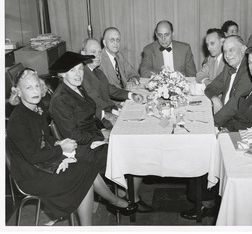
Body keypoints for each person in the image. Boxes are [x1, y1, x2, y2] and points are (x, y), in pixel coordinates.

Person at [6, 68, 137, 226]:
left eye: (36, 86)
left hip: (42, 161)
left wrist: (58, 142)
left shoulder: (37, 108)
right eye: (28, 88)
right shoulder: (18, 120)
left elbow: (45, 138)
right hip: (30, 173)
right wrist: (61, 149)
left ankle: (111, 205)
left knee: (86, 168)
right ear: (18, 92)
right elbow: (33, 156)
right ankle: (113, 204)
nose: (35, 91)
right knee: (83, 175)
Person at [49, 51, 153, 213]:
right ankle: (126, 199)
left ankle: (126, 194)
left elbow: (89, 115)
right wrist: (102, 136)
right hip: (82, 149)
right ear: (62, 74)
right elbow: (73, 135)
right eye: (72, 71)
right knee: (136, 154)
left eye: (80, 69)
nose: (78, 74)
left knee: (138, 144)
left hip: (92, 137)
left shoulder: (77, 88)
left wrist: (102, 129)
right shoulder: (61, 99)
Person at [80, 38, 143, 130]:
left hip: (113, 113)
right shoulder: (80, 76)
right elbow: (84, 105)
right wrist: (105, 115)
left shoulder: (98, 72)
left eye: (99, 52)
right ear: (83, 53)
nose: (97, 56)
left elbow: (111, 90)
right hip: (100, 122)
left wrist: (131, 95)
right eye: (93, 52)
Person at [205, 35, 252, 127]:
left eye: (231, 50)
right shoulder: (228, 66)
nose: (227, 55)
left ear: (243, 49)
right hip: (225, 116)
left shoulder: (248, 70)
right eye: (225, 52)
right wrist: (215, 99)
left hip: (237, 123)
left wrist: (213, 123)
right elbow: (211, 88)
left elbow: (235, 104)